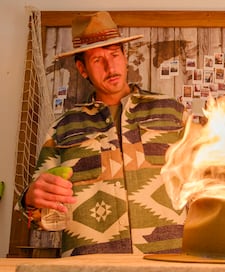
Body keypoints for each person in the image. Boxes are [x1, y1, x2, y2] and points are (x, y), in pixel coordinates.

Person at [18, 11, 187, 257]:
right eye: (97, 60)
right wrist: (31, 201)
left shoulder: (173, 112)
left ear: (124, 56)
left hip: (170, 260)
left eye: (115, 55)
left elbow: (207, 183)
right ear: (82, 69)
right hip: (90, 265)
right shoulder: (62, 128)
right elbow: (41, 218)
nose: (110, 66)